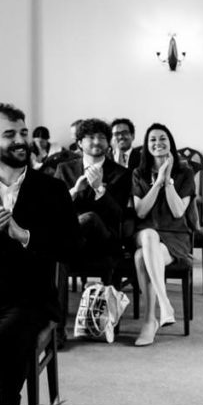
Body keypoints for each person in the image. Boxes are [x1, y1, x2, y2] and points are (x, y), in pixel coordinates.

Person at [0, 103, 78, 405]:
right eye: (10, 134)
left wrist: (25, 236)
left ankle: (9, 404)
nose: (21, 140)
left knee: (4, 339)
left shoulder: (52, 189)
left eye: (23, 132)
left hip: (29, 297)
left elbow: (73, 245)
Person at [130, 122, 194, 346]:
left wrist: (167, 182)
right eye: (152, 140)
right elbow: (140, 211)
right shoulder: (139, 173)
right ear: (147, 146)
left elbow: (178, 211)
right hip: (145, 231)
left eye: (162, 138)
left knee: (141, 258)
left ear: (170, 142)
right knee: (148, 234)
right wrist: (156, 183)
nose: (158, 143)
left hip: (174, 236)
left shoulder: (185, 172)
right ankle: (165, 304)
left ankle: (150, 321)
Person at [54, 118, 130, 284]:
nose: (97, 142)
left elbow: (119, 214)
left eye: (102, 138)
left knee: (90, 218)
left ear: (108, 143)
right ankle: (57, 309)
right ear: (80, 143)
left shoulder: (122, 174)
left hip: (104, 241)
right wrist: (74, 191)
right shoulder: (64, 169)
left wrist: (99, 189)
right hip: (72, 243)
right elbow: (55, 209)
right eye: (91, 137)